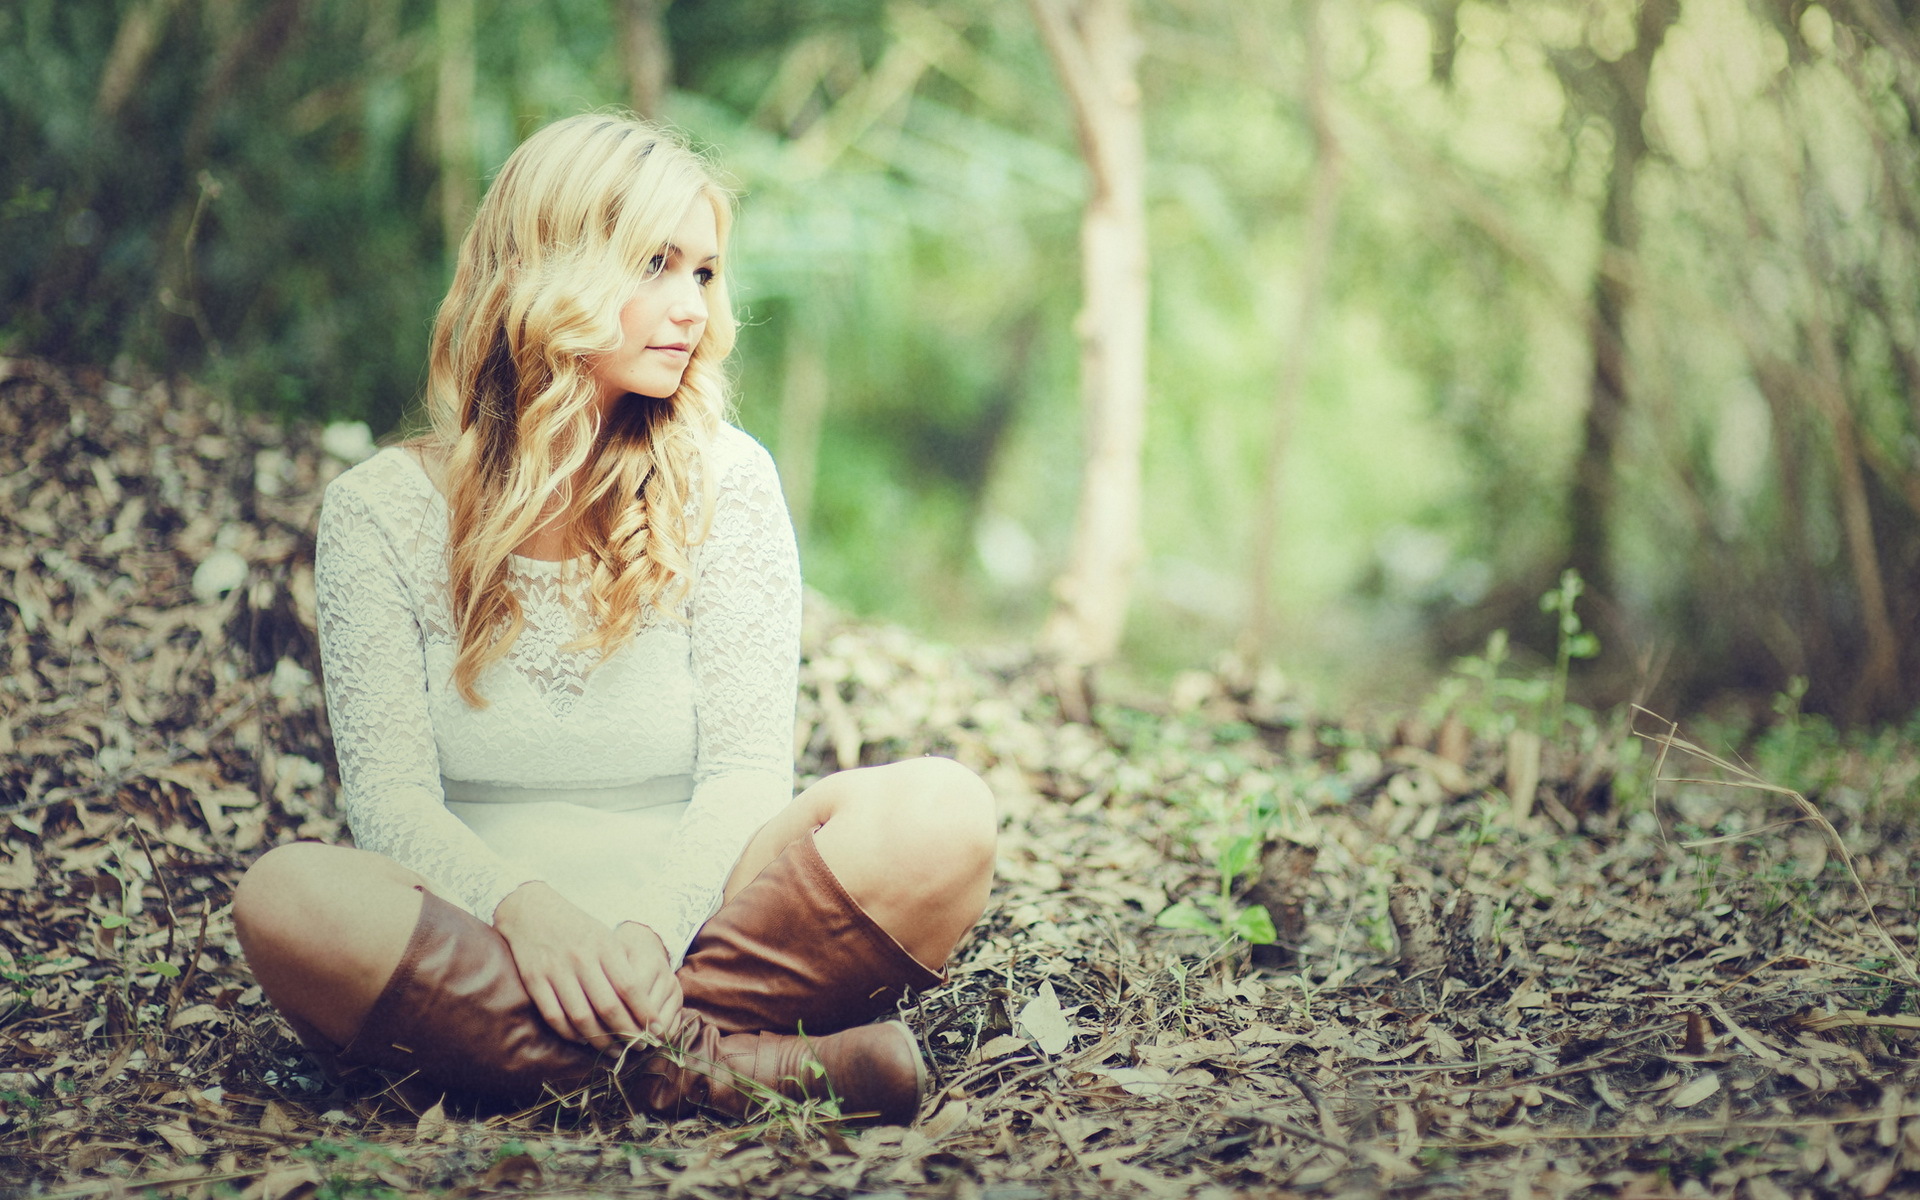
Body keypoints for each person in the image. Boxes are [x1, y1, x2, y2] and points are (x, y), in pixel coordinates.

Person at [230, 112, 997, 1126]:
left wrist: (646, 929)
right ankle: (719, 1067)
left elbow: (743, 778)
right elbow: (393, 806)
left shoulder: (731, 481)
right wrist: (531, 917)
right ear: (550, 270)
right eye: (656, 264)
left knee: (946, 815)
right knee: (285, 900)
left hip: (708, 927)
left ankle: (590, 1058)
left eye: (705, 274)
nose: (691, 307)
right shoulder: (380, 511)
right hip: (484, 937)